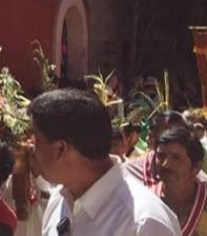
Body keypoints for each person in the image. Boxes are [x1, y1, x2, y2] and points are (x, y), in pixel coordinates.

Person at [28, 88, 180, 236]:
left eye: (36, 140)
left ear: (61, 149)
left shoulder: (144, 224)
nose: (30, 148)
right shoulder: (59, 203)